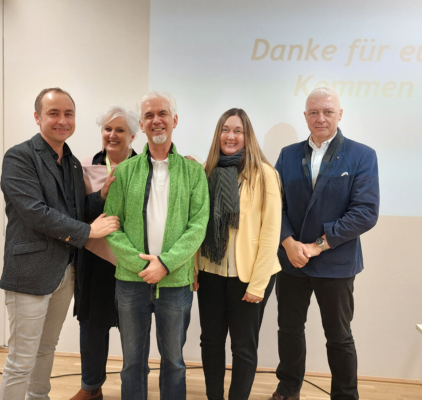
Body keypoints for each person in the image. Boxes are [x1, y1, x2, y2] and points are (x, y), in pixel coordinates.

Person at [0, 88, 120, 400]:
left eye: (69, 114)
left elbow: (74, 209)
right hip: (30, 273)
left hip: (65, 272)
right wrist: (88, 231)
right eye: (54, 113)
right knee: (21, 360)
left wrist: (102, 195)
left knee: (46, 348)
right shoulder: (20, 157)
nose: (62, 120)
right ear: (37, 117)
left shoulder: (72, 163)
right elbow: (36, 213)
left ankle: (39, 397)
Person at [270, 87, 380, 400]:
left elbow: (365, 212)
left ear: (340, 115)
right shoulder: (287, 155)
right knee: (289, 329)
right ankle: (288, 388)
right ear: (305, 116)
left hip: (336, 261)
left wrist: (317, 245)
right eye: (314, 112)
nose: (321, 118)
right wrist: (289, 242)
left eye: (328, 112)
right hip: (292, 260)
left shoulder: (362, 155)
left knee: (339, 336)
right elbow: (274, 205)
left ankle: (345, 395)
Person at [104, 91, 210, 400]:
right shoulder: (124, 172)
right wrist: (143, 266)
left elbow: (198, 226)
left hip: (175, 282)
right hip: (131, 281)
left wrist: (165, 264)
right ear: (141, 124)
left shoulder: (193, 172)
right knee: (132, 362)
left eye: (162, 113)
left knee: (174, 362)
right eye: (148, 115)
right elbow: (111, 225)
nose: (156, 120)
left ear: (174, 120)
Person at [194, 108, 282, 400]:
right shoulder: (206, 171)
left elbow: (270, 232)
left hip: (249, 275)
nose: (230, 136)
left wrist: (258, 284)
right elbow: (196, 225)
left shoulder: (265, 174)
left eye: (237, 131)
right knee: (210, 342)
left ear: (247, 136)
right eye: (225, 129)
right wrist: (193, 268)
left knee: (243, 346)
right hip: (210, 271)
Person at [71, 106, 139, 400]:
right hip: (95, 260)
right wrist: (101, 196)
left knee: (134, 332)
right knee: (92, 328)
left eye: (120, 130)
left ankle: (134, 390)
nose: (112, 135)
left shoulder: (147, 167)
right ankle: (91, 388)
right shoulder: (85, 166)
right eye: (107, 129)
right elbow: (77, 214)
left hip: (133, 261)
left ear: (132, 136)